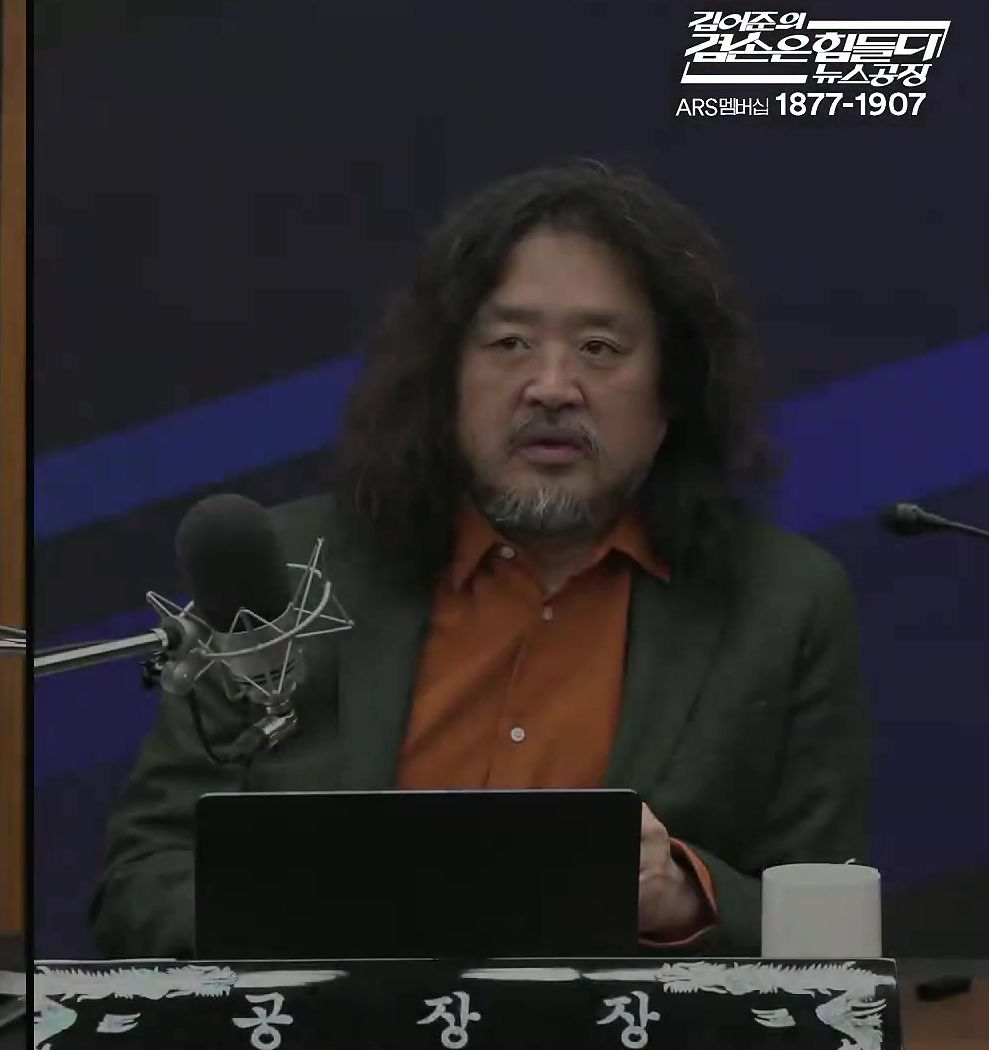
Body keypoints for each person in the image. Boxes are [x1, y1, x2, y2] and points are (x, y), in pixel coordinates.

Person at [92, 160, 871, 959]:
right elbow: (144, 880)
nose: (552, 387)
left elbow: (830, 932)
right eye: (509, 343)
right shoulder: (286, 573)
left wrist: (679, 894)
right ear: (446, 379)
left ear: (672, 389)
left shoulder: (782, 602)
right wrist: (326, 922)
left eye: (600, 348)